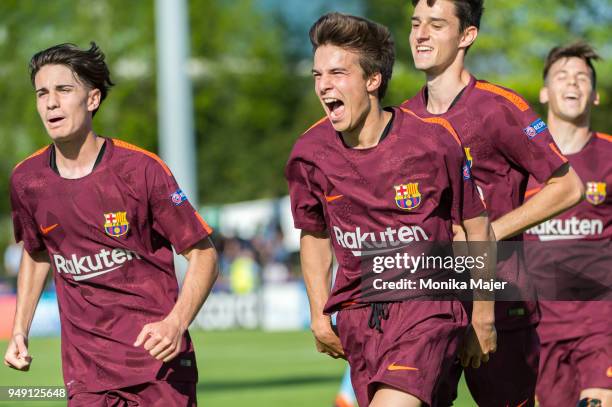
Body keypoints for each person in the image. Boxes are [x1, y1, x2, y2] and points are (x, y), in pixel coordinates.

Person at [286, 12, 496, 407]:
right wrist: (318, 314)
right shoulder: (308, 154)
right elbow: (314, 234)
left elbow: (478, 227)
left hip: (427, 309)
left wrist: (483, 315)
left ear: (372, 80)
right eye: (317, 75)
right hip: (358, 320)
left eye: (337, 73)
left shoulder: (432, 142)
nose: (324, 85)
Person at [3, 42, 218, 406]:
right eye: (42, 93)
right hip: (86, 377)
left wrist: (176, 323)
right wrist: (19, 329)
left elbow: (204, 255)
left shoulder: (141, 171)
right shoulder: (27, 180)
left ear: (92, 99)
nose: (50, 102)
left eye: (63, 90)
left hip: (159, 369)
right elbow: (37, 252)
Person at [401, 0, 585, 405]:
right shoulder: (402, 119)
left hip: (502, 299)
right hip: (430, 303)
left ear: (467, 36)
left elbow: (568, 186)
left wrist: (489, 234)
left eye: (436, 24)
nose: (421, 34)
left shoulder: (498, 107)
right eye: (416, 24)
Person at [523, 41, 611, 407]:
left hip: (602, 324)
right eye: (562, 76)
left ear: (594, 96)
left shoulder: (609, 155)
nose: (572, 83)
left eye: (581, 78)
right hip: (538, 329)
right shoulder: (519, 160)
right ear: (545, 91)